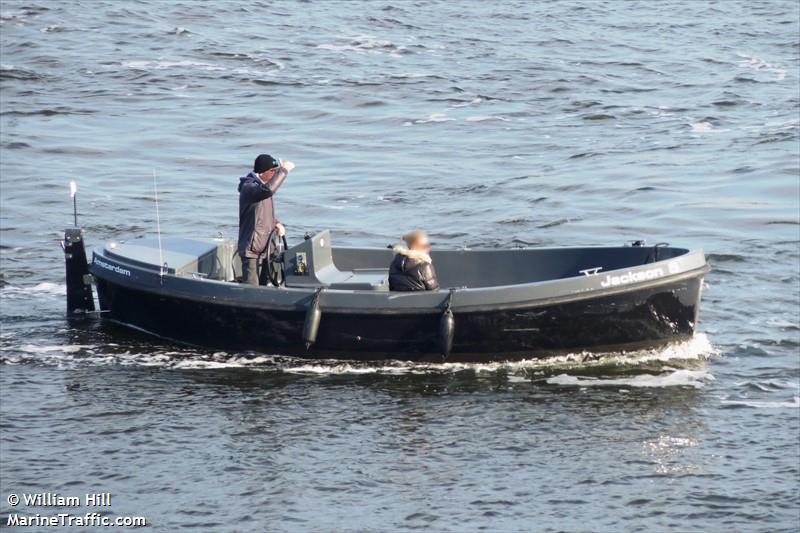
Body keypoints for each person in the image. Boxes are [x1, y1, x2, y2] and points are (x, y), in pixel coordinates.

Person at [238, 153, 295, 285]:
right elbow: (268, 190)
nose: (275, 174)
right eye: (273, 171)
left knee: (267, 283)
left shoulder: (262, 186)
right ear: (262, 172)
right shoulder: (250, 187)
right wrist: (284, 171)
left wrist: (277, 223)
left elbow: (263, 212)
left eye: (276, 171)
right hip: (252, 247)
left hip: (266, 245)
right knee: (251, 288)